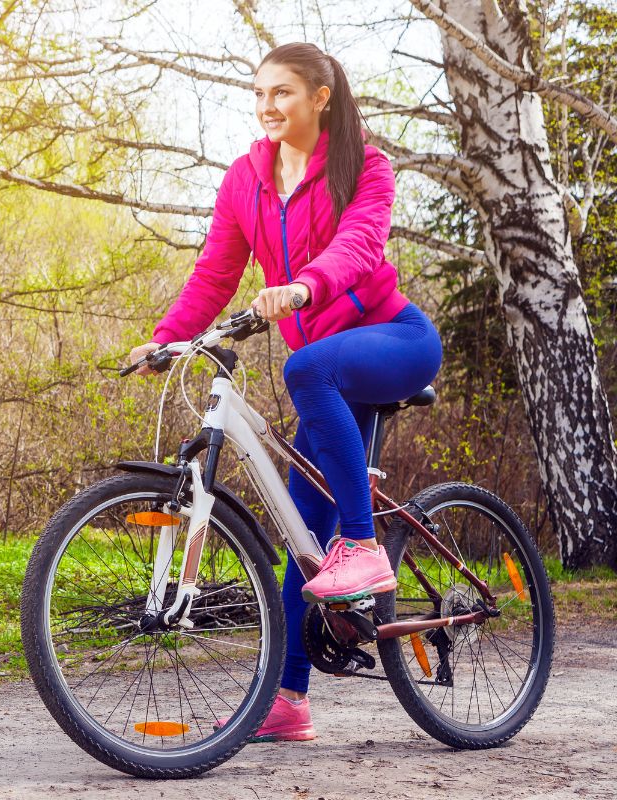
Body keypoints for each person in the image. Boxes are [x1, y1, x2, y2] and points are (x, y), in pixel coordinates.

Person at [128, 43, 442, 742]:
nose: (268, 106)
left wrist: (304, 285)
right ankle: (287, 701)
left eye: (284, 93)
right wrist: (166, 338)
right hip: (328, 369)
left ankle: (361, 544)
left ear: (321, 96)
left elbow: (360, 246)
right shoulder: (247, 178)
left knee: (307, 372)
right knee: (299, 530)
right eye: (260, 93)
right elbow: (216, 271)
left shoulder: (365, 165)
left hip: (393, 340)